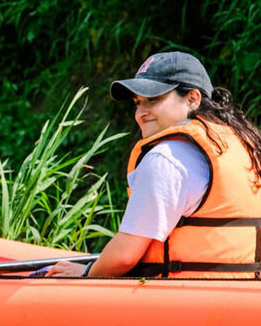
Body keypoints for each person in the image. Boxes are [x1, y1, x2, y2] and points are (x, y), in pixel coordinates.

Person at [46, 52, 261, 278]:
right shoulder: (245, 148)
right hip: (243, 296)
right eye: (137, 103)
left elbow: (124, 256)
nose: (140, 113)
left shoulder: (167, 158)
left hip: (185, 302)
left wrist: (86, 272)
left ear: (192, 98)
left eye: (153, 99)